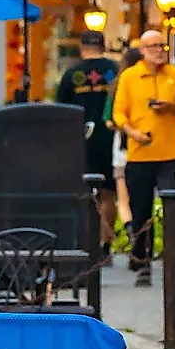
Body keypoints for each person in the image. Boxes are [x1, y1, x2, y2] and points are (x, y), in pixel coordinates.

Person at [112, 29, 175, 286]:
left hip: (171, 153)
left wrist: (173, 107)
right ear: (143, 50)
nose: (160, 50)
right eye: (154, 46)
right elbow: (118, 113)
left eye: (162, 45)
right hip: (139, 154)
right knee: (141, 211)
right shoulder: (130, 76)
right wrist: (133, 133)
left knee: (172, 209)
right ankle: (142, 262)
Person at [54, 31, 121, 255]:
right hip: (111, 137)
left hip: (81, 138)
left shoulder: (72, 73)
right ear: (103, 46)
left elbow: (61, 109)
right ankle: (105, 244)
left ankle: (86, 241)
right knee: (109, 192)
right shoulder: (116, 71)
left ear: (82, 47)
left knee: (86, 192)